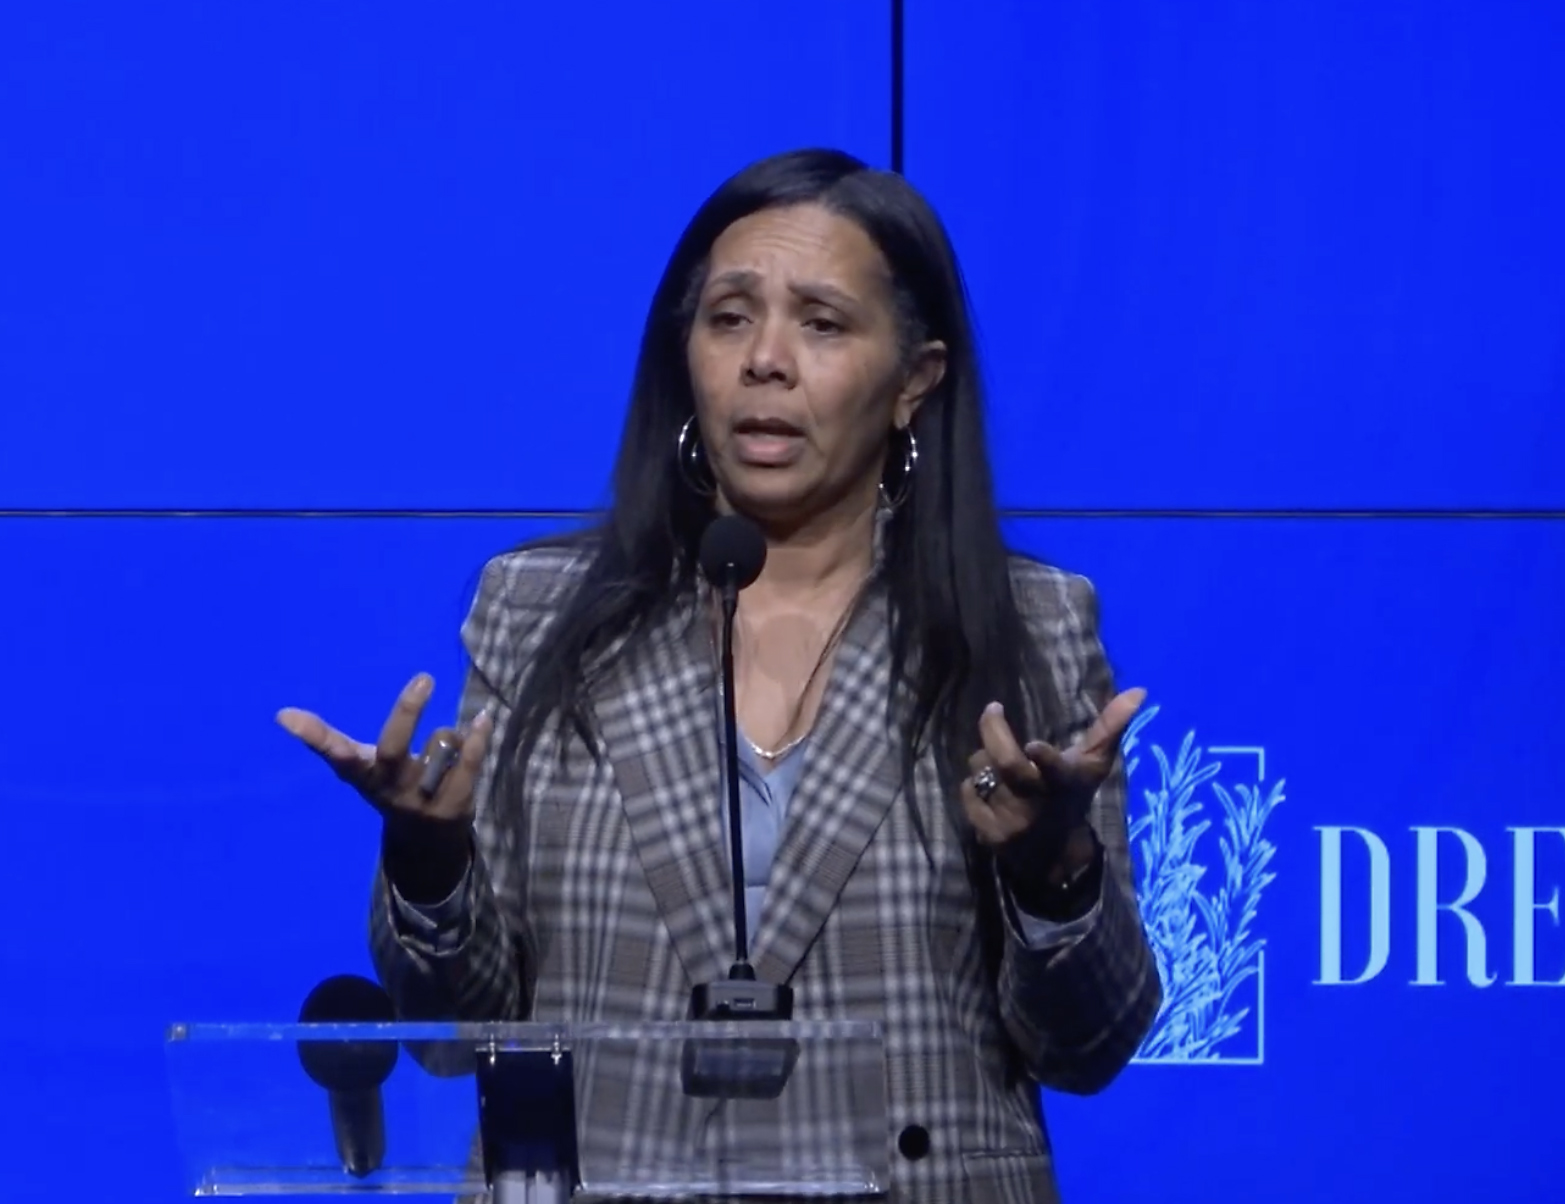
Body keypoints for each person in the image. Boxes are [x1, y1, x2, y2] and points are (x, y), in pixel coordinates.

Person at [277, 148, 1161, 1204]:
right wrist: (427, 866)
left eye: (822, 324)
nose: (765, 361)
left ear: (913, 383)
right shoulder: (537, 612)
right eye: (729, 317)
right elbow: (457, 1036)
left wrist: (1054, 876)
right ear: (683, 353)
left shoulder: (1022, 627)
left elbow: (1089, 1047)